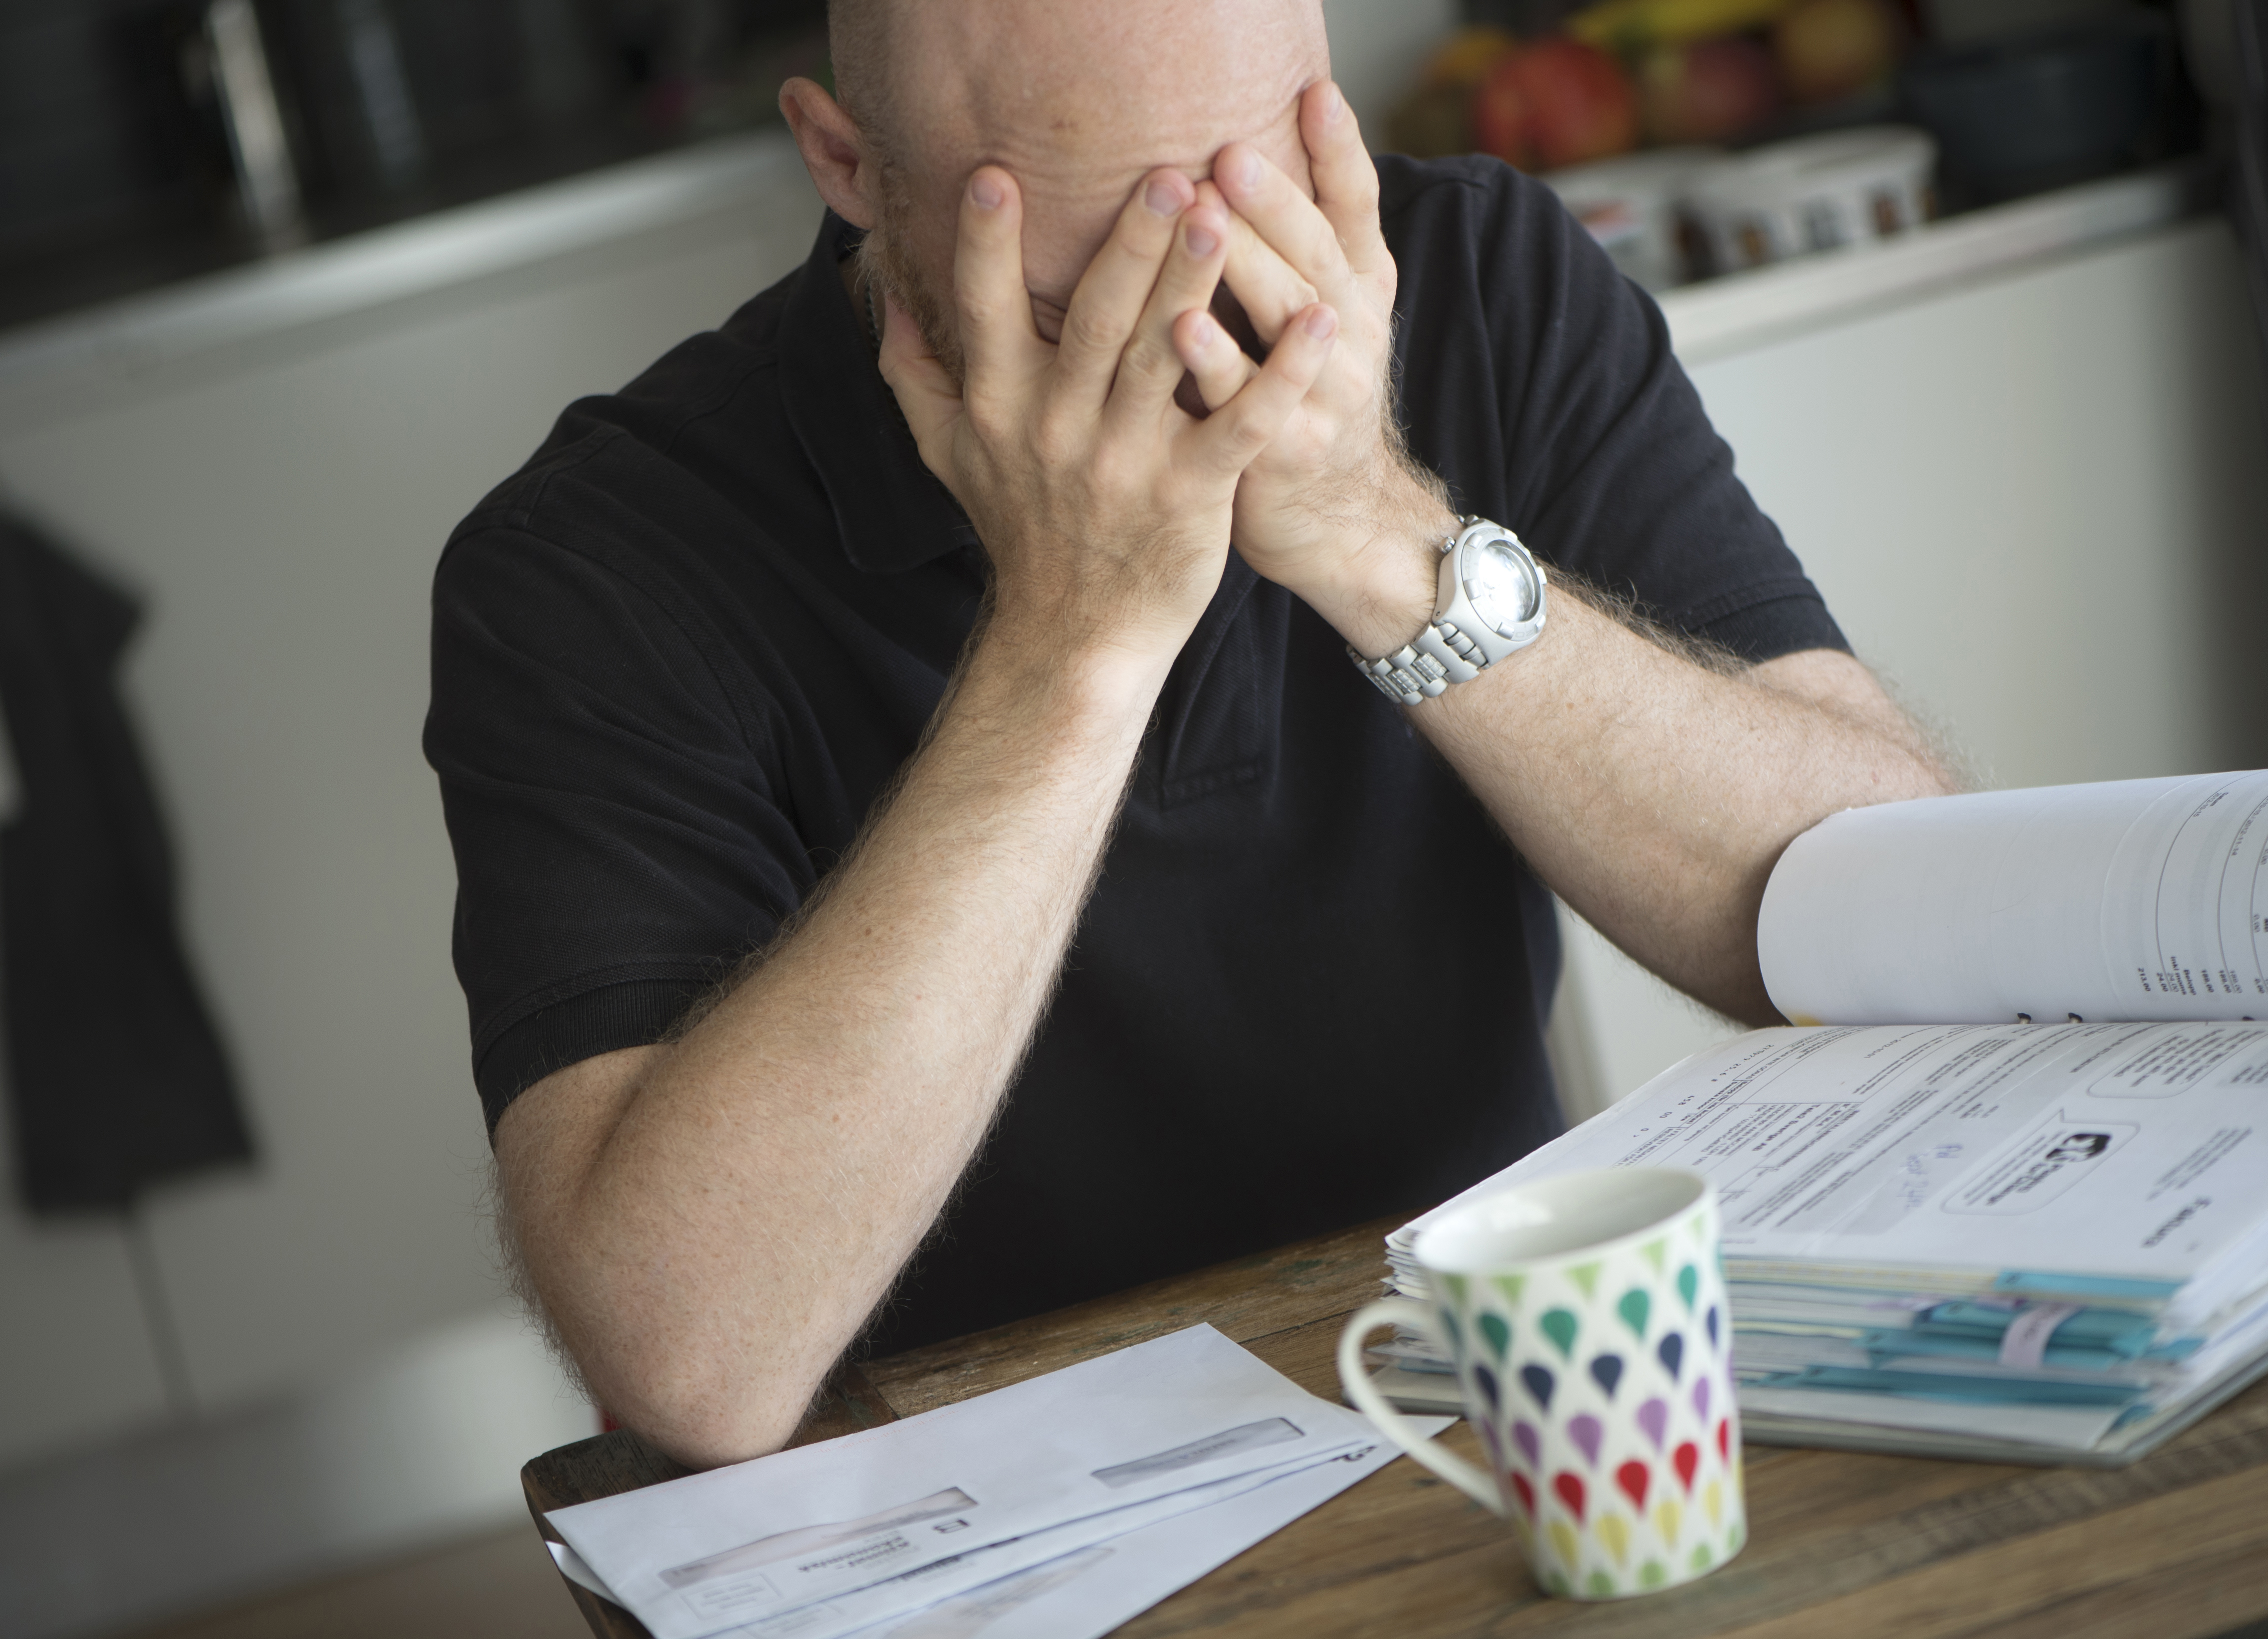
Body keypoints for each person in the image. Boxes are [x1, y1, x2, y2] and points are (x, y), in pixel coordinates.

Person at [423, 0, 1952, 1469]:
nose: (1179, 371)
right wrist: (1073, 642)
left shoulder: (1482, 277)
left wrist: (1374, 531)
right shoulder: (588, 566)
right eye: (1065, 306)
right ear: (848, 169)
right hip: (961, 1528)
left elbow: (1908, 939)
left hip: (1488, 1422)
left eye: (1243, 259)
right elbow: (694, 1362)